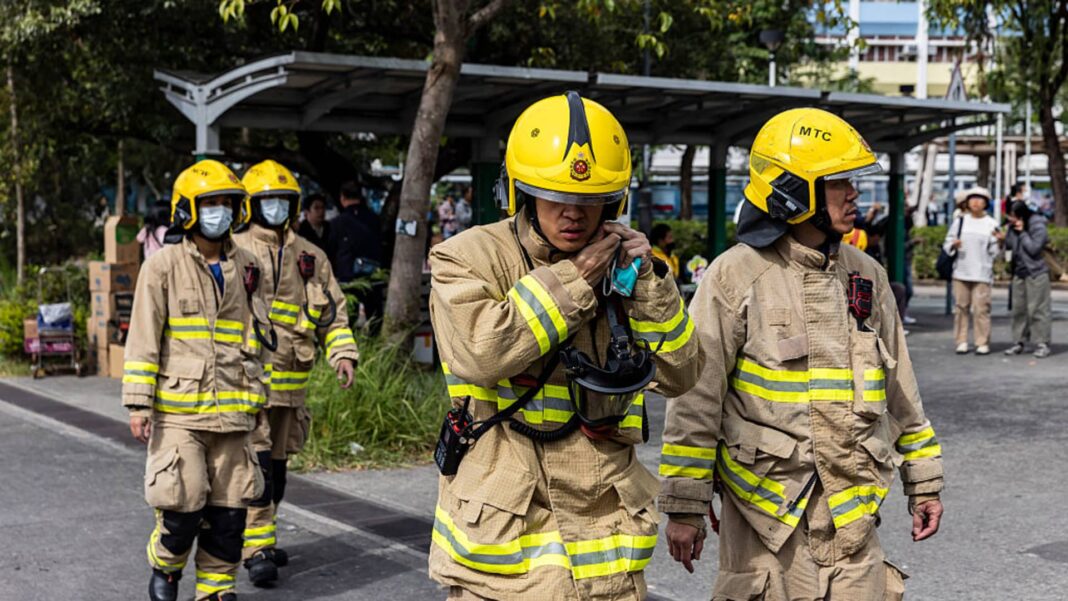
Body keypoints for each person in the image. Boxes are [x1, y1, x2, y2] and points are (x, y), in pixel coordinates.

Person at [427, 91, 702, 599]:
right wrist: (576, 280)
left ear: (614, 201)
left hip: (606, 547)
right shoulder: (464, 257)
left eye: (591, 198)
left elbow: (682, 375)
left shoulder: (632, 268)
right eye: (556, 196)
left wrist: (649, 285)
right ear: (522, 192)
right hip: (505, 554)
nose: (574, 212)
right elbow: (482, 351)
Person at [660, 108, 944, 600]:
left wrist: (925, 480)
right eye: (839, 181)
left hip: (852, 518)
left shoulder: (867, 275)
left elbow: (902, 391)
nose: (855, 193)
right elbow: (695, 398)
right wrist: (685, 506)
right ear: (793, 190)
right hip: (765, 518)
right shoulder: (734, 277)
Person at [123, 160, 268, 601]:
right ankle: (165, 566)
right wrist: (138, 403)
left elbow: (256, 337)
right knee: (182, 506)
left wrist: (258, 395)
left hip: (234, 409)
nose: (220, 212)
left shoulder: (248, 265)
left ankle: (216, 588)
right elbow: (144, 337)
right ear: (188, 209)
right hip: (179, 411)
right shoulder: (162, 266)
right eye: (210, 203)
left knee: (229, 513)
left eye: (227, 203)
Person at [232, 160, 359, 586]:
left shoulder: (312, 257)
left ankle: (257, 538)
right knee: (258, 471)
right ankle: (257, 550)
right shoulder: (234, 253)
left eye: (282, 201)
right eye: (266, 201)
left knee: (279, 473)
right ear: (251, 206)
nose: (275, 209)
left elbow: (335, 317)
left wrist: (343, 354)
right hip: (247, 386)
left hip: (291, 391)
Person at [943, 187, 999, 355]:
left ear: (986, 203)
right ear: (967, 202)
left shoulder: (991, 223)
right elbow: (947, 243)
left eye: (980, 199)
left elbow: (996, 251)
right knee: (961, 307)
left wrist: (1000, 242)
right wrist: (953, 245)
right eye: (972, 199)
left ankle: (982, 342)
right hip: (961, 272)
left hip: (982, 273)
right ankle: (961, 341)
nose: (975, 202)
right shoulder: (960, 221)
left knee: (982, 309)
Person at [328, 181, 384, 332]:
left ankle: (348, 348)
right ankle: (375, 344)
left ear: (342, 198)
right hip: (373, 275)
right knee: (375, 316)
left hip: (347, 275)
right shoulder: (374, 219)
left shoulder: (337, 222)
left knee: (348, 316)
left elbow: (331, 249)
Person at [1004, 200, 1053, 358]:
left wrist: (1023, 232)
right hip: (1019, 272)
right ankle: (1018, 342)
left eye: (1012, 215)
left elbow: (1034, 249)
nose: (1010, 218)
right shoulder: (1013, 227)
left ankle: (1042, 343)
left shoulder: (1037, 225)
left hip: (1036, 272)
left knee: (1037, 309)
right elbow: (1010, 246)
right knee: (1019, 309)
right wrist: (1009, 232)